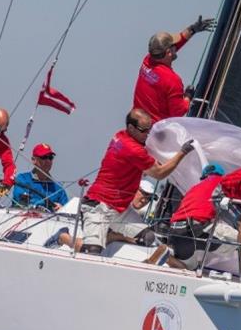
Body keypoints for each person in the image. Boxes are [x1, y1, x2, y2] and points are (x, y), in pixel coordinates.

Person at [81, 108, 193, 255]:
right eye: (144, 130)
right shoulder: (133, 149)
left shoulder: (120, 135)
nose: (147, 134)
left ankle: (111, 235)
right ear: (131, 128)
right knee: (92, 252)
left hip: (120, 209)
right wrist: (182, 152)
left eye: (150, 129)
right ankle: (64, 238)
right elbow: (160, 173)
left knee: (148, 237)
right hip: (99, 206)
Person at [133, 16, 216, 122]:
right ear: (168, 52)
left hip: (138, 124)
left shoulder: (148, 60)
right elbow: (178, 111)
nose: (176, 47)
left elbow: (174, 46)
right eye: (173, 47)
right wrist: (187, 97)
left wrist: (192, 29)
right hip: (154, 133)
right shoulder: (172, 80)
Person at [168, 163, 240, 271]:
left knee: (188, 268)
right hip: (196, 229)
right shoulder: (223, 183)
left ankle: (167, 256)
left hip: (175, 231)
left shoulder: (193, 188)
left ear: (204, 177)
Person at [11, 143, 69, 211]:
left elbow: (68, 211)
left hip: (48, 221)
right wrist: (43, 206)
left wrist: (62, 208)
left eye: (50, 157)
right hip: (23, 218)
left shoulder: (58, 188)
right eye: (44, 157)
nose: (48, 161)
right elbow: (21, 200)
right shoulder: (23, 179)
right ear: (33, 160)